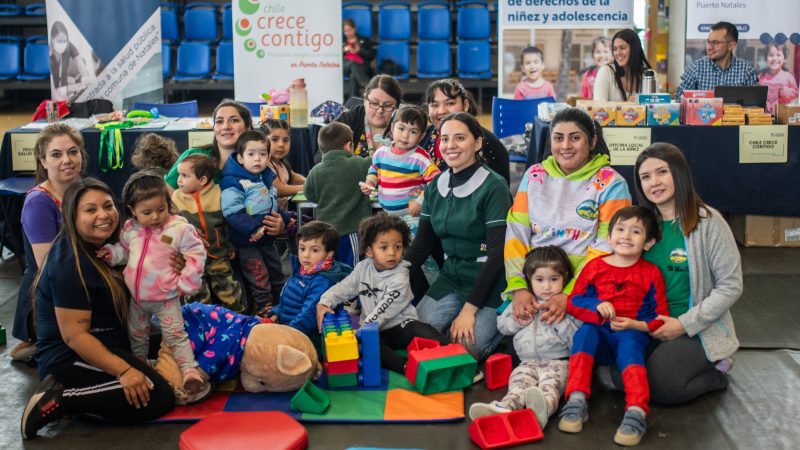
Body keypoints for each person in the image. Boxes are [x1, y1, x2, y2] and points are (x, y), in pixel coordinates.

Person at [21, 178, 174, 440]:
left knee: (178, 336)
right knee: (158, 393)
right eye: (91, 210)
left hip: (110, 340)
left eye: (108, 206)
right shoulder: (69, 263)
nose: (103, 215)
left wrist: (176, 262)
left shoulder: (105, 247)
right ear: (72, 215)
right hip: (69, 358)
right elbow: (75, 337)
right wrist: (124, 371)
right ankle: (60, 399)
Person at [633, 142, 742, 405]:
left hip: (695, 327)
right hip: (648, 324)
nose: (654, 183)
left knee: (663, 387)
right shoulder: (642, 225)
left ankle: (718, 371)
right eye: (645, 177)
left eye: (662, 172)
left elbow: (731, 286)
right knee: (614, 372)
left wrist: (683, 324)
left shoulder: (708, 222)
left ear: (679, 174)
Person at [504, 107, 631, 327]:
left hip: (585, 290)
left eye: (575, 138)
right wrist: (519, 287)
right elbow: (516, 234)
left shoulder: (611, 183)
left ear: (592, 142)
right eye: (558, 138)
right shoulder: (534, 175)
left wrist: (570, 294)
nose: (565, 146)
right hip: (534, 285)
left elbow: (607, 247)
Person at [405, 112, 512, 362]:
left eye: (460, 138)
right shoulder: (435, 186)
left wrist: (469, 310)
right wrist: (393, 275)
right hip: (452, 277)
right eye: (445, 139)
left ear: (477, 143)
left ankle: (498, 323)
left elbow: (497, 256)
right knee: (414, 336)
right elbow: (421, 245)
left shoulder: (494, 186)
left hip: (490, 281)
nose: (450, 146)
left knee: (467, 350)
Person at [558, 206, 669, 447]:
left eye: (636, 231)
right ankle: (576, 399)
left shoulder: (651, 273)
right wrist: (597, 305)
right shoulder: (595, 267)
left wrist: (637, 325)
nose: (626, 236)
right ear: (609, 237)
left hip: (630, 334)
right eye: (620, 229)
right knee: (584, 333)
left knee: (629, 347)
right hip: (597, 333)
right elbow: (574, 302)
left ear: (648, 243)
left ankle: (637, 411)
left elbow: (660, 317)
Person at [96, 172, 208, 395]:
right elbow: (125, 252)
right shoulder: (130, 229)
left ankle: (190, 370)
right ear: (132, 210)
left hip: (165, 298)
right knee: (136, 335)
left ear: (168, 205)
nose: (156, 217)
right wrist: (111, 253)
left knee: (175, 335)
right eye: (147, 212)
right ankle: (142, 365)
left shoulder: (178, 229)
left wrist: (186, 282)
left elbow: (196, 254)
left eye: (161, 209)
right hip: (137, 299)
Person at [317, 213, 448, 373]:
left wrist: (364, 329)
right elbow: (343, 287)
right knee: (369, 348)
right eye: (384, 247)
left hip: (401, 326)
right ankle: (405, 366)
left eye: (398, 246)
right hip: (377, 331)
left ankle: (454, 354)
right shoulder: (362, 268)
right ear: (369, 251)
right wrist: (325, 301)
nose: (392, 253)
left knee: (424, 331)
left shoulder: (401, 275)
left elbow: (385, 309)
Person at [469, 246, 579, 430]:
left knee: (550, 388)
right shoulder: (522, 303)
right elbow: (502, 326)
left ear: (564, 277)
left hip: (559, 363)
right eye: (539, 279)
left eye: (554, 279)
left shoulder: (566, 307)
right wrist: (519, 320)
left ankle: (541, 411)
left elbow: (578, 342)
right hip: (526, 363)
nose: (547, 286)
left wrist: (559, 321)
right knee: (518, 384)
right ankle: (505, 407)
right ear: (529, 280)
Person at [12, 124, 88, 362]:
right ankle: (36, 343)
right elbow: (48, 268)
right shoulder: (38, 203)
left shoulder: (83, 189)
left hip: (78, 279)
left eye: (73, 152)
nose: (67, 160)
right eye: (56, 154)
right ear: (42, 161)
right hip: (47, 296)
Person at [221, 130, 290, 316]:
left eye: (262, 154)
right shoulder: (234, 182)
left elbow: (270, 206)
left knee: (277, 276)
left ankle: (280, 310)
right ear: (241, 158)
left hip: (267, 240)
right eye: (251, 154)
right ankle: (264, 315)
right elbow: (232, 212)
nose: (257, 159)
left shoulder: (265, 177)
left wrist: (285, 217)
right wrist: (253, 229)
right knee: (260, 281)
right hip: (248, 242)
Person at [172, 154, 244, 312]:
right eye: (179, 175)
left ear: (202, 180)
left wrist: (230, 246)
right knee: (196, 292)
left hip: (218, 253)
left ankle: (236, 316)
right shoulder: (176, 197)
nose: (179, 180)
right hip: (191, 258)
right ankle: (201, 321)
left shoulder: (218, 194)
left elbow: (227, 224)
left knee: (228, 287)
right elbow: (170, 226)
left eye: (184, 176)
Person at [304, 122, 372, 268]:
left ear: (322, 149)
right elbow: (377, 163)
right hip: (351, 231)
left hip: (325, 233)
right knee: (352, 270)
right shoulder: (359, 164)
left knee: (329, 268)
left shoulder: (315, 172)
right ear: (349, 145)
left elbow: (309, 195)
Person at [421, 79, 510, 186]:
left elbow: (499, 191)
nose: (441, 111)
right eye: (434, 105)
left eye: (450, 103)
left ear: (465, 105)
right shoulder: (422, 136)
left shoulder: (489, 144)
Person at [268, 221, 352, 334]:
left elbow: (308, 316)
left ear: (329, 254)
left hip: (307, 337)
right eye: (302, 248)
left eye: (314, 250)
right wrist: (276, 313)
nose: (305, 255)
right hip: (289, 329)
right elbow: (289, 301)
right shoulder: (303, 270)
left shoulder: (323, 282)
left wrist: (286, 334)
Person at [361, 106, 440, 219]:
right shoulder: (381, 152)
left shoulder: (419, 158)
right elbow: (374, 169)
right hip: (386, 213)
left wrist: (420, 201)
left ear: (421, 136)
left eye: (413, 131)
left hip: (412, 216)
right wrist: (370, 182)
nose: (405, 135)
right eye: (401, 128)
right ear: (392, 128)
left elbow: (436, 180)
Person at [674, 21, 758, 99]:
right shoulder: (695, 69)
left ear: (731, 45)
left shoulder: (747, 71)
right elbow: (680, 100)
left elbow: (755, 107)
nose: (709, 47)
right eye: (708, 42)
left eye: (715, 43)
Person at [335, 74, 402, 158]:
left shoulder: (406, 125)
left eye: (387, 105)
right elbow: (326, 158)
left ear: (397, 107)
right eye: (374, 103)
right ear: (365, 100)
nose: (380, 110)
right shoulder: (348, 120)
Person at [593, 29, 652, 101]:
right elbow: (598, 109)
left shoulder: (649, 75)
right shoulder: (606, 72)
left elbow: (655, 108)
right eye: (615, 49)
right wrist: (627, 107)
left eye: (622, 48)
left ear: (634, 49)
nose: (617, 53)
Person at [261, 118, 305, 210]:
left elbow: (294, 177)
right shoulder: (264, 164)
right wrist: (308, 188)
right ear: (262, 141)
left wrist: (313, 182)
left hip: (282, 217)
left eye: (286, 140)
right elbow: (279, 189)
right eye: (275, 139)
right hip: (267, 220)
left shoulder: (280, 163)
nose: (281, 144)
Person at [49, 21, 94, 102]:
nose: (63, 44)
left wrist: (85, 78)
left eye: (65, 41)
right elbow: (54, 93)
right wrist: (63, 100)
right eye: (59, 41)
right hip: (53, 94)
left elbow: (80, 63)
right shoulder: (48, 54)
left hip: (65, 90)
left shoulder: (69, 46)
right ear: (52, 39)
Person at [758, 42, 799, 115]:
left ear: (785, 59)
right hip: (764, 118)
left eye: (778, 55)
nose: (774, 58)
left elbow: (795, 93)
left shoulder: (789, 76)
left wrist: (786, 92)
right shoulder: (761, 76)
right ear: (766, 58)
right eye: (771, 55)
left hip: (783, 116)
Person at [342, 18, 375, 101]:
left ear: (354, 29)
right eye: (345, 31)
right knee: (353, 64)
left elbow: (372, 55)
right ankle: (368, 88)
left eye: (350, 30)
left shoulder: (364, 40)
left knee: (353, 76)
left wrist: (359, 51)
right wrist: (342, 51)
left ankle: (351, 104)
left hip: (362, 67)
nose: (348, 33)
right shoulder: (341, 42)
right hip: (345, 66)